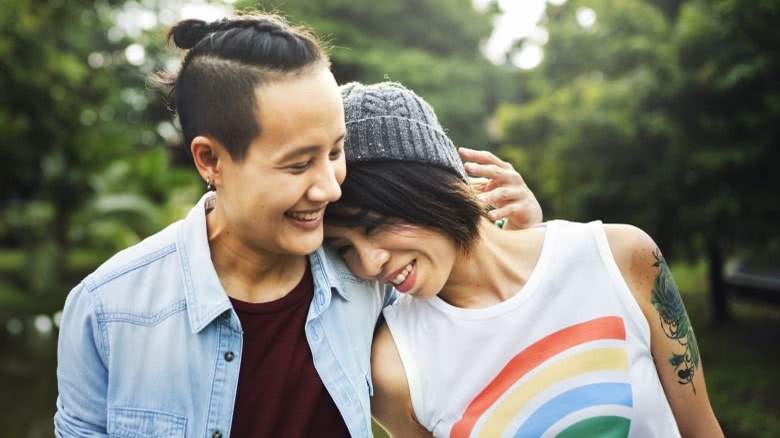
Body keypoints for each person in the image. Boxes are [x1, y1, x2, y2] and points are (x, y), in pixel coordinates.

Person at [54, 14, 541, 437]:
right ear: (210, 160)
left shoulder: (372, 278)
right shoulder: (107, 311)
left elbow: (497, 347)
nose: (330, 187)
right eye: (297, 164)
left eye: (335, 151)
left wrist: (523, 242)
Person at [323, 82, 724, 437]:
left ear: (430, 186)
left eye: (375, 224)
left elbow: (700, 428)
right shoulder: (396, 367)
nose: (369, 263)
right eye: (344, 248)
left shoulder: (619, 256)